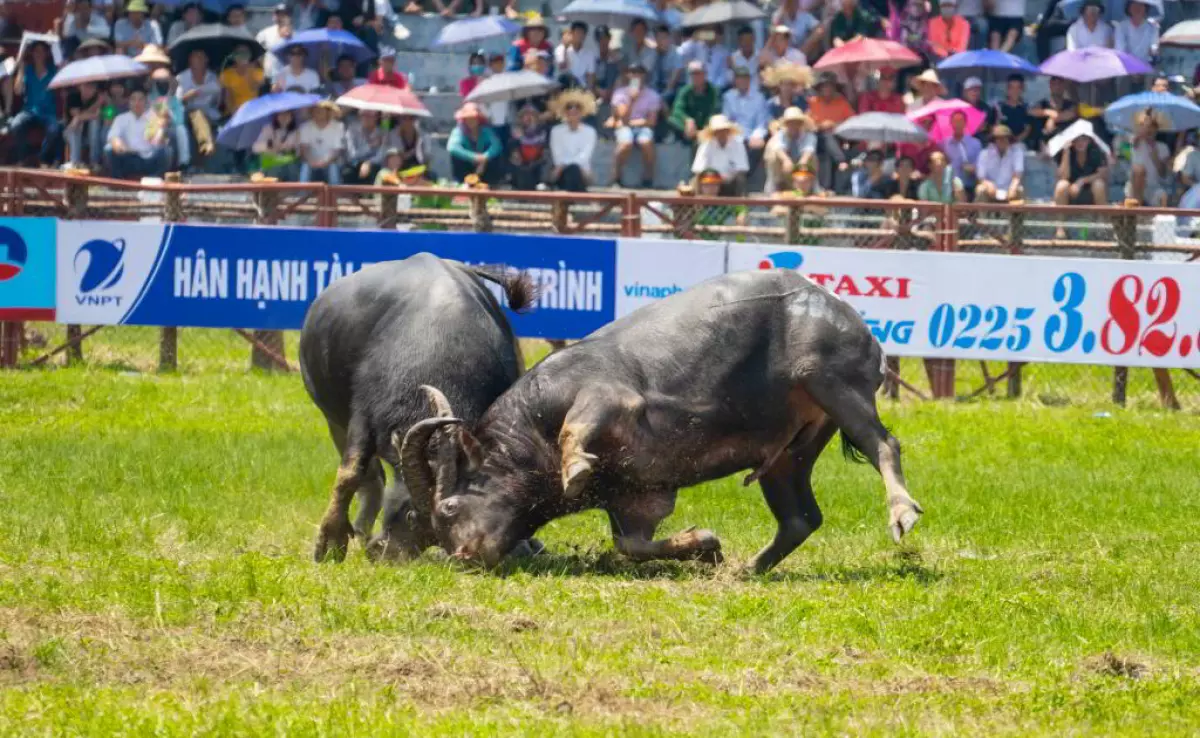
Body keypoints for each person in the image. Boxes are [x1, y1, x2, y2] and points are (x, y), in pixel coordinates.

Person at [5, 40, 60, 166]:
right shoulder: (28, 70)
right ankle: (24, 158)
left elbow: (62, 67)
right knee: (15, 125)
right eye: (36, 51)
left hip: (48, 112)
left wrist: (54, 41)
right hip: (29, 111)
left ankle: (40, 158)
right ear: (32, 53)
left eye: (42, 51)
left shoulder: (53, 71)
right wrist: (21, 70)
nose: (39, 54)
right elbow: (18, 91)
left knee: (54, 129)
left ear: (47, 53)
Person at [609, 63, 661, 188]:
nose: (635, 76)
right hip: (625, 127)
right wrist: (632, 100)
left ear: (644, 75)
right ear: (627, 75)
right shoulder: (620, 93)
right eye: (632, 72)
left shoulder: (652, 95)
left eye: (639, 73)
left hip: (643, 127)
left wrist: (634, 123)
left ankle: (648, 177)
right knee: (626, 143)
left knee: (646, 142)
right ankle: (616, 177)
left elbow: (652, 121)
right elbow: (623, 117)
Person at [106, 88, 172, 179]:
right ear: (129, 102)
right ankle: (119, 182)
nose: (137, 103)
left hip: (149, 158)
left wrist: (162, 127)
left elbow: (159, 142)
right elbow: (113, 137)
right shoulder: (121, 118)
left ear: (146, 102)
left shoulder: (154, 117)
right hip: (130, 156)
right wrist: (121, 147)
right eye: (133, 99)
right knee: (109, 148)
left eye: (140, 99)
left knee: (167, 151)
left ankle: (154, 180)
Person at [808, 71, 854, 192]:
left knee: (827, 148)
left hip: (838, 138)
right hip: (816, 138)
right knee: (825, 136)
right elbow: (806, 123)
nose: (827, 89)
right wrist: (820, 126)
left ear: (834, 88)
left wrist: (834, 125)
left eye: (829, 86)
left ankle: (826, 188)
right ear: (819, 88)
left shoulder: (842, 103)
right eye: (824, 86)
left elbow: (852, 123)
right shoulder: (812, 102)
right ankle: (841, 160)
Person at [722, 66, 769, 175]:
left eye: (745, 78)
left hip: (752, 136)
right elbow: (727, 120)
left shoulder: (759, 97)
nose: (742, 81)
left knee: (757, 146)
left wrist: (757, 136)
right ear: (735, 80)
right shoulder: (728, 97)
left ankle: (743, 176)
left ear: (749, 80)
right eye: (739, 78)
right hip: (734, 135)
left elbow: (761, 122)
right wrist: (734, 134)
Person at [548, 89, 598, 192]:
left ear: (582, 111)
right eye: (569, 107)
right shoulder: (556, 131)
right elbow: (557, 155)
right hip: (561, 169)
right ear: (565, 111)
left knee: (574, 170)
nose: (573, 110)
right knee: (570, 172)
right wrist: (564, 166)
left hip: (582, 170)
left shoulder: (590, 131)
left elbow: (585, 156)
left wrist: (568, 164)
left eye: (577, 107)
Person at [176, 49, 221, 159]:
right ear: (190, 61)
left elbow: (216, 91)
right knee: (197, 114)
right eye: (195, 58)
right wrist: (187, 96)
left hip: (210, 112)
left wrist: (196, 92)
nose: (198, 61)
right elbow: (178, 100)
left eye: (201, 58)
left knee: (203, 115)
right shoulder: (181, 77)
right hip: (188, 113)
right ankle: (206, 144)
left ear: (206, 60)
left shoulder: (212, 77)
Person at [447, 102, 504, 185]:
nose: (471, 121)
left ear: (478, 119)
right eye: (468, 118)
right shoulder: (458, 131)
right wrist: (473, 157)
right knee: (455, 157)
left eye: (473, 118)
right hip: (466, 164)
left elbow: (496, 145)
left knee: (496, 157)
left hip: (485, 165)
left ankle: (492, 184)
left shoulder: (485, 130)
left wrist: (485, 157)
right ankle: (461, 184)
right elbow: (452, 147)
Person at [763, 106, 816, 195]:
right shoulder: (780, 135)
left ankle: (812, 187)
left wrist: (802, 164)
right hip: (783, 168)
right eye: (791, 123)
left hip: (801, 166)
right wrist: (786, 160)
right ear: (786, 124)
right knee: (773, 156)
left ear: (801, 123)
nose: (794, 126)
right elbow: (778, 148)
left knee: (813, 158)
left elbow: (809, 150)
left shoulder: (809, 136)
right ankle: (774, 186)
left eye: (796, 122)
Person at [691, 114, 748, 195]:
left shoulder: (738, 144)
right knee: (694, 181)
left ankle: (740, 205)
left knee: (741, 180)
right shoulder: (706, 144)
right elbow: (698, 169)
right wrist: (713, 179)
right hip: (709, 182)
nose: (721, 133)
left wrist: (726, 178)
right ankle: (698, 205)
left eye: (724, 130)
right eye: (718, 131)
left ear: (728, 130)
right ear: (714, 132)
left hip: (730, 182)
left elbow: (741, 169)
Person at [1125, 110, 1170, 206]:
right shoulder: (1135, 141)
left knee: (1163, 196)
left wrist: (1155, 154)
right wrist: (1142, 131)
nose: (1149, 130)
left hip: (1153, 187)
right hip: (1134, 186)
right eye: (1146, 126)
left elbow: (1163, 173)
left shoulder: (1163, 147)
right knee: (1139, 170)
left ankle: (1160, 220)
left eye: (1152, 127)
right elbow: (1132, 142)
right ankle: (1137, 210)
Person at [669, 61, 721, 144]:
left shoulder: (713, 91)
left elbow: (715, 111)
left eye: (698, 73)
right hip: (689, 128)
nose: (695, 77)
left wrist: (705, 128)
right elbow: (677, 110)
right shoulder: (685, 90)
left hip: (707, 126)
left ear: (705, 74)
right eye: (693, 74)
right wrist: (687, 120)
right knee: (673, 120)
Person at [148, 67, 190, 170]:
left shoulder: (175, 100)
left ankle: (184, 162)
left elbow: (179, 121)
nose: (162, 84)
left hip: (171, 127)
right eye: (159, 82)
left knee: (181, 129)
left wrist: (168, 115)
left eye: (165, 81)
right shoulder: (149, 98)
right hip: (153, 128)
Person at [1054, 133, 1109, 208]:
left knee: (1099, 184)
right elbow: (1064, 176)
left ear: (1089, 140)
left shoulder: (1096, 151)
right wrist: (1066, 153)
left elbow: (1102, 174)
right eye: (1077, 140)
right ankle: (1060, 218)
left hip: (1090, 187)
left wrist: (1082, 181)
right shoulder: (1065, 152)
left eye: (1084, 139)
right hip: (1070, 189)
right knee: (1061, 185)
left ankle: (1102, 217)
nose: (1080, 143)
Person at [299, 100, 345, 184]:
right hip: (311, 162)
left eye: (321, 109)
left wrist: (325, 162)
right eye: (316, 109)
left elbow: (337, 150)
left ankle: (334, 194)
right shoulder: (305, 127)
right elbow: (304, 148)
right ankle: (302, 194)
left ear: (328, 112)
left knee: (333, 168)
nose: (318, 111)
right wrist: (311, 161)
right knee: (305, 167)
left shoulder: (338, 126)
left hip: (331, 162)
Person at [975, 125, 1025, 202]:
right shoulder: (984, 154)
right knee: (980, 189)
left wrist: (1013, 187)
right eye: (998, 138)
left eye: (1004, 138)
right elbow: (981, 177)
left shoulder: (1017, 152)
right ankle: (982, 214)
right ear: (994, 140)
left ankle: (1016, 213)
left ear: (1009, 139)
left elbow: (1017, 175)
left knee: (1020, 190)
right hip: (991, 190)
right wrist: (988, 185)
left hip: (1009, 189)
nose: (1002, 140)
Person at [64, 80, 105, 170]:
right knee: (78, 125)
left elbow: (108, 113)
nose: (88, 90)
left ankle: (94, 162)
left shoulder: (97, 97)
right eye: (85, 86)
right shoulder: (73, 96)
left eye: (91, 87)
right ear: (80, 86)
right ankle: (75, 162)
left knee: (95, 123)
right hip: (71, 132)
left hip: (91, 136)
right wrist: (96, 107)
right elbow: (76, 115)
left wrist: (105, 102)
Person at [342, 109, 389, 184]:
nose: (366, 118)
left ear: (376, 117)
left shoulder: (382, 132)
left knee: (374, 172)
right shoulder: (351, 130)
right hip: (355, 163)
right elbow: (352, 155)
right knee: (347, 172)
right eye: (363, 115)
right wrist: (370, 146)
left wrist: (368, 163)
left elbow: (382, 155)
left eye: (369, 116)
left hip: (374, 164)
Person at [508, 103, 549, 190]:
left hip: (538, 165)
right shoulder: (516, 133)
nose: (528, 117)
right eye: (525, 115)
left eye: (531, 115)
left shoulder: (544, 131)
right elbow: (513, 155)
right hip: (522, 167)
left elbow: (546, 153)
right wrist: (516, 140)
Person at [252, 110, 301, 180]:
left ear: (292, 117)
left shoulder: (296, 132)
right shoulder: (268, 129)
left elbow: (299, 152)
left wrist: (290, 148)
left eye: (287, 115)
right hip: (271, 164)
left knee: (293, 167)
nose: (284, 117)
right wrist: (270, 144)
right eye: (281, 115)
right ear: (276, 116)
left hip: (289, 165)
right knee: (274, 169)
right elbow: (255, 148)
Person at [942, 110, 982, 193]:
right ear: (951, 123)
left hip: (968, 185)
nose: (957, 124)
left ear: (965, 123)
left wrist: (972, 168)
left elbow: (981, 167)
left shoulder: (975, 144)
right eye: (955, 121)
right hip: (949, 185)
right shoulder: (945, 144)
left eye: (960, 121)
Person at [1031, 76, 1077, 144]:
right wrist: (1049, 112)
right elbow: (1031, 111)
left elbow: (1072, 113)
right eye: (1054, 84)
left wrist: (1052, 119)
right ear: (1050, 86)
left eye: (1059, 84)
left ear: (1064, 86)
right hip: (1045, 146)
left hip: (1066, 145)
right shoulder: (1043, 104)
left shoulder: (1070, 105)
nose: (1057, 87)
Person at [989, 74, 1033, 146]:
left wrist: (1015, 141)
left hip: (1019, 145)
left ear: (1023, 89)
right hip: (1000, 144)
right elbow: (992, 130)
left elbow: (1027, 130)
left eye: (1018, 88)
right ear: (1007, 89)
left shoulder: (1027, 108)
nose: (1015, 91)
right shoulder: (998, 108)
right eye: (1011, 88)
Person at [220, 44, 263, 116]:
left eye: (245, 53)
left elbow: (254, 88)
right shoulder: (227, 74)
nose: (242, 56)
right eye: (239, 53)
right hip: (234, 111)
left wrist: (249, 71)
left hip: (253, 109)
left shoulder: (257, 72)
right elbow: (227, 97)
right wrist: (234, 112)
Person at [555, 21, 596, 90]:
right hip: (564, 87)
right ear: (571, 33)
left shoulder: (589, 54)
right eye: (577, 32)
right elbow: (562, 67)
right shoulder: (560, 49)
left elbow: (590, 76)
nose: (580, 36)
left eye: (582, 33)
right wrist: (565, 48)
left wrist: (589, 92)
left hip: (581, 88)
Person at [1114, 0, 1159, 64]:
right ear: (1129, 7)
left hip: (1145, 66)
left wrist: (1154, 51)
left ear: (1146, 8)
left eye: (1141, 5)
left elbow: (1154, 46)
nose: (1137, 8)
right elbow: (1120, 49)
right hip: (1126, 65)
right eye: (1134, 4)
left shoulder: (1152, 27)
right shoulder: (1121, 27)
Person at [257, 7, 293, 81]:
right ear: (274, 16)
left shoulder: (295, 34)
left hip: (287, 78)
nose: (280, 17)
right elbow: (255, 51)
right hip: (268, 76)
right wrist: (260, 68)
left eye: (283, 15)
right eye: (278, 14)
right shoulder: (265, 32)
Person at [651, 24, 683, 101]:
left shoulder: (677, 53)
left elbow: (674, 79)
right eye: (659, 38)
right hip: (657, 88)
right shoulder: (653, 53)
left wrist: (661, 96)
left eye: (664, 38)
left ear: (669, 38)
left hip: (674, 88)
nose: (662, 41)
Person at [729, 26, 761, 91]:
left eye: (750, 39)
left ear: (754, 39)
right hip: (739, 96)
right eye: (744, 40)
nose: (747, 43)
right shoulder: (733, 59)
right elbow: (731, 82)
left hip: (758, 95)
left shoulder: (761, 57)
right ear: (739, 41)